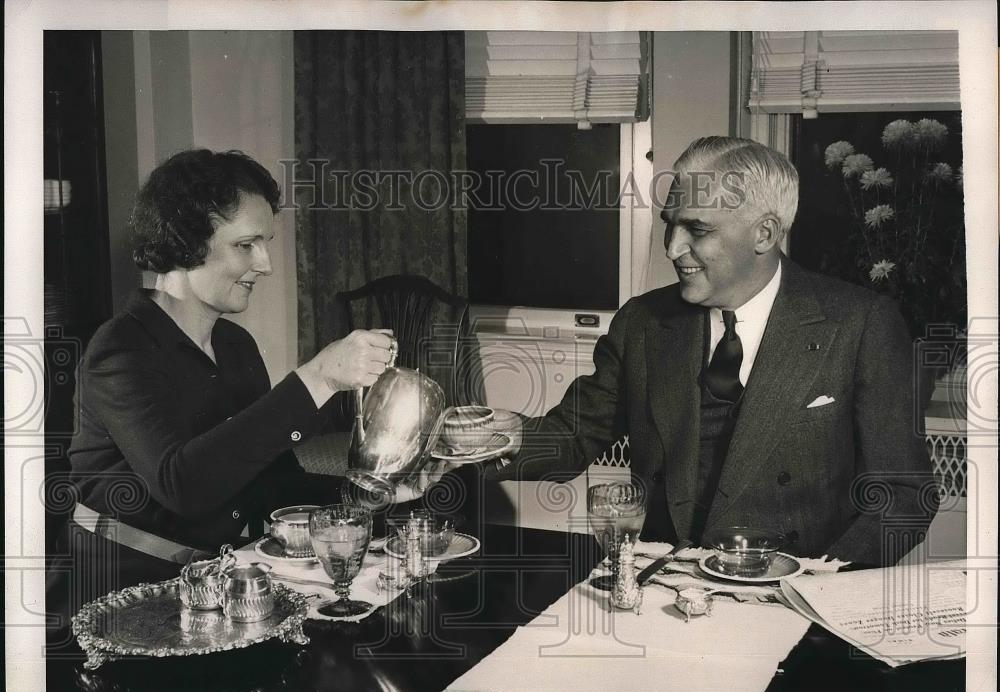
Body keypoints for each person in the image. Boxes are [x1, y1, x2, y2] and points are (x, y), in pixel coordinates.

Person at [488, 136, 936, 566]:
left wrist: (827, 578)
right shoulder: (642, 322)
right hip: (664, 580)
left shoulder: (861, 324)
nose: (672, 248)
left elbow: (904, 494)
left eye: (697, 229)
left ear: (764, 233)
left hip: (796, 595)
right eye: (670, 225)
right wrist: (485, 442)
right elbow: (573, 434)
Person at [67, 148, 436, 567]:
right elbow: (183, 485)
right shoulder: (120, 350)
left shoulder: (234, 344)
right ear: (184, 243)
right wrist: (318, 378)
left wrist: (370, 493)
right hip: (117, 581)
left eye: (266, 244)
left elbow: (269, 481)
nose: (266, 265)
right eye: (246, 245)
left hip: (207, 575)